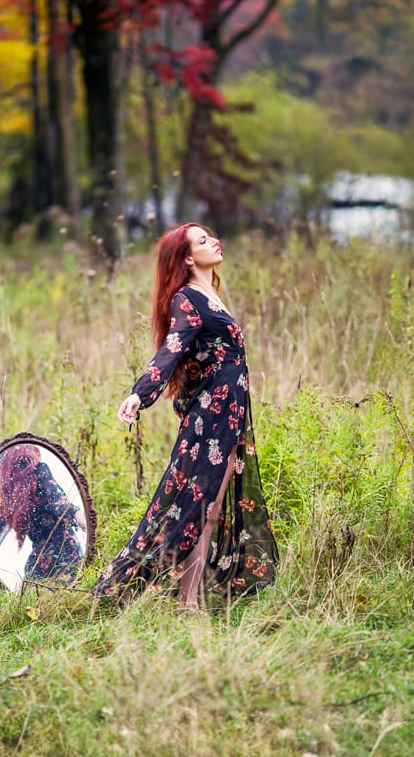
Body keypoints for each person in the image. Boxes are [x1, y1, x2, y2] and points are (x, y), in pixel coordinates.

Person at [91, 223, 278, 609]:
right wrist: (138, 395)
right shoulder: (187, 299)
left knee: (207, 512)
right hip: (210, 417)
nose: (215, 241)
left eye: (212, 235)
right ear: (188, 258)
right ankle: (181, 603)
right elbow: (171, 350)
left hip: (228, 412)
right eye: (204, 240)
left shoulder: (211, 295)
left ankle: (188, 602)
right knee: (199, 507)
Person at [0, 442, 84, 586]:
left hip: (64, 547)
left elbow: (57, 497)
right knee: (31, 588)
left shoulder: (39, 470)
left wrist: (76, 513)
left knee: (44, 589)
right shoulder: (10, 494)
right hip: (41, 552)